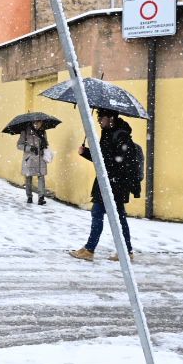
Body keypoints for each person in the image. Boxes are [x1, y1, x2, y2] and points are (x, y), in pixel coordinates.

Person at [70, 108, 135, 260]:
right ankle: (125, 251)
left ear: (110, 118)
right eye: (98, 117)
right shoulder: (108, 134)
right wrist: (85, 152)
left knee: (101, 213)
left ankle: (90, 250)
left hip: (114, 184)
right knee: (117, 217)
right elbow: (102, 158)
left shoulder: (121, 136)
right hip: (107, 182)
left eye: (101, 117)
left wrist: (106, 163)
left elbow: (119, 161)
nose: (99, 120)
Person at [16, 123, 50, 204]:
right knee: (28, 177)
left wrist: (44, 145)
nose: (40, 123)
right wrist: (30, 148)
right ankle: (29, 197)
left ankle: (41, 198)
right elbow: (19, 145)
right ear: (34, 122)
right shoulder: (25, 131)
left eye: (41, 122)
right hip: (30, 158)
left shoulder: (43, 131)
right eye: (38, 122)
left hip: (40, 157)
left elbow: (46, 143)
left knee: (41, 176)